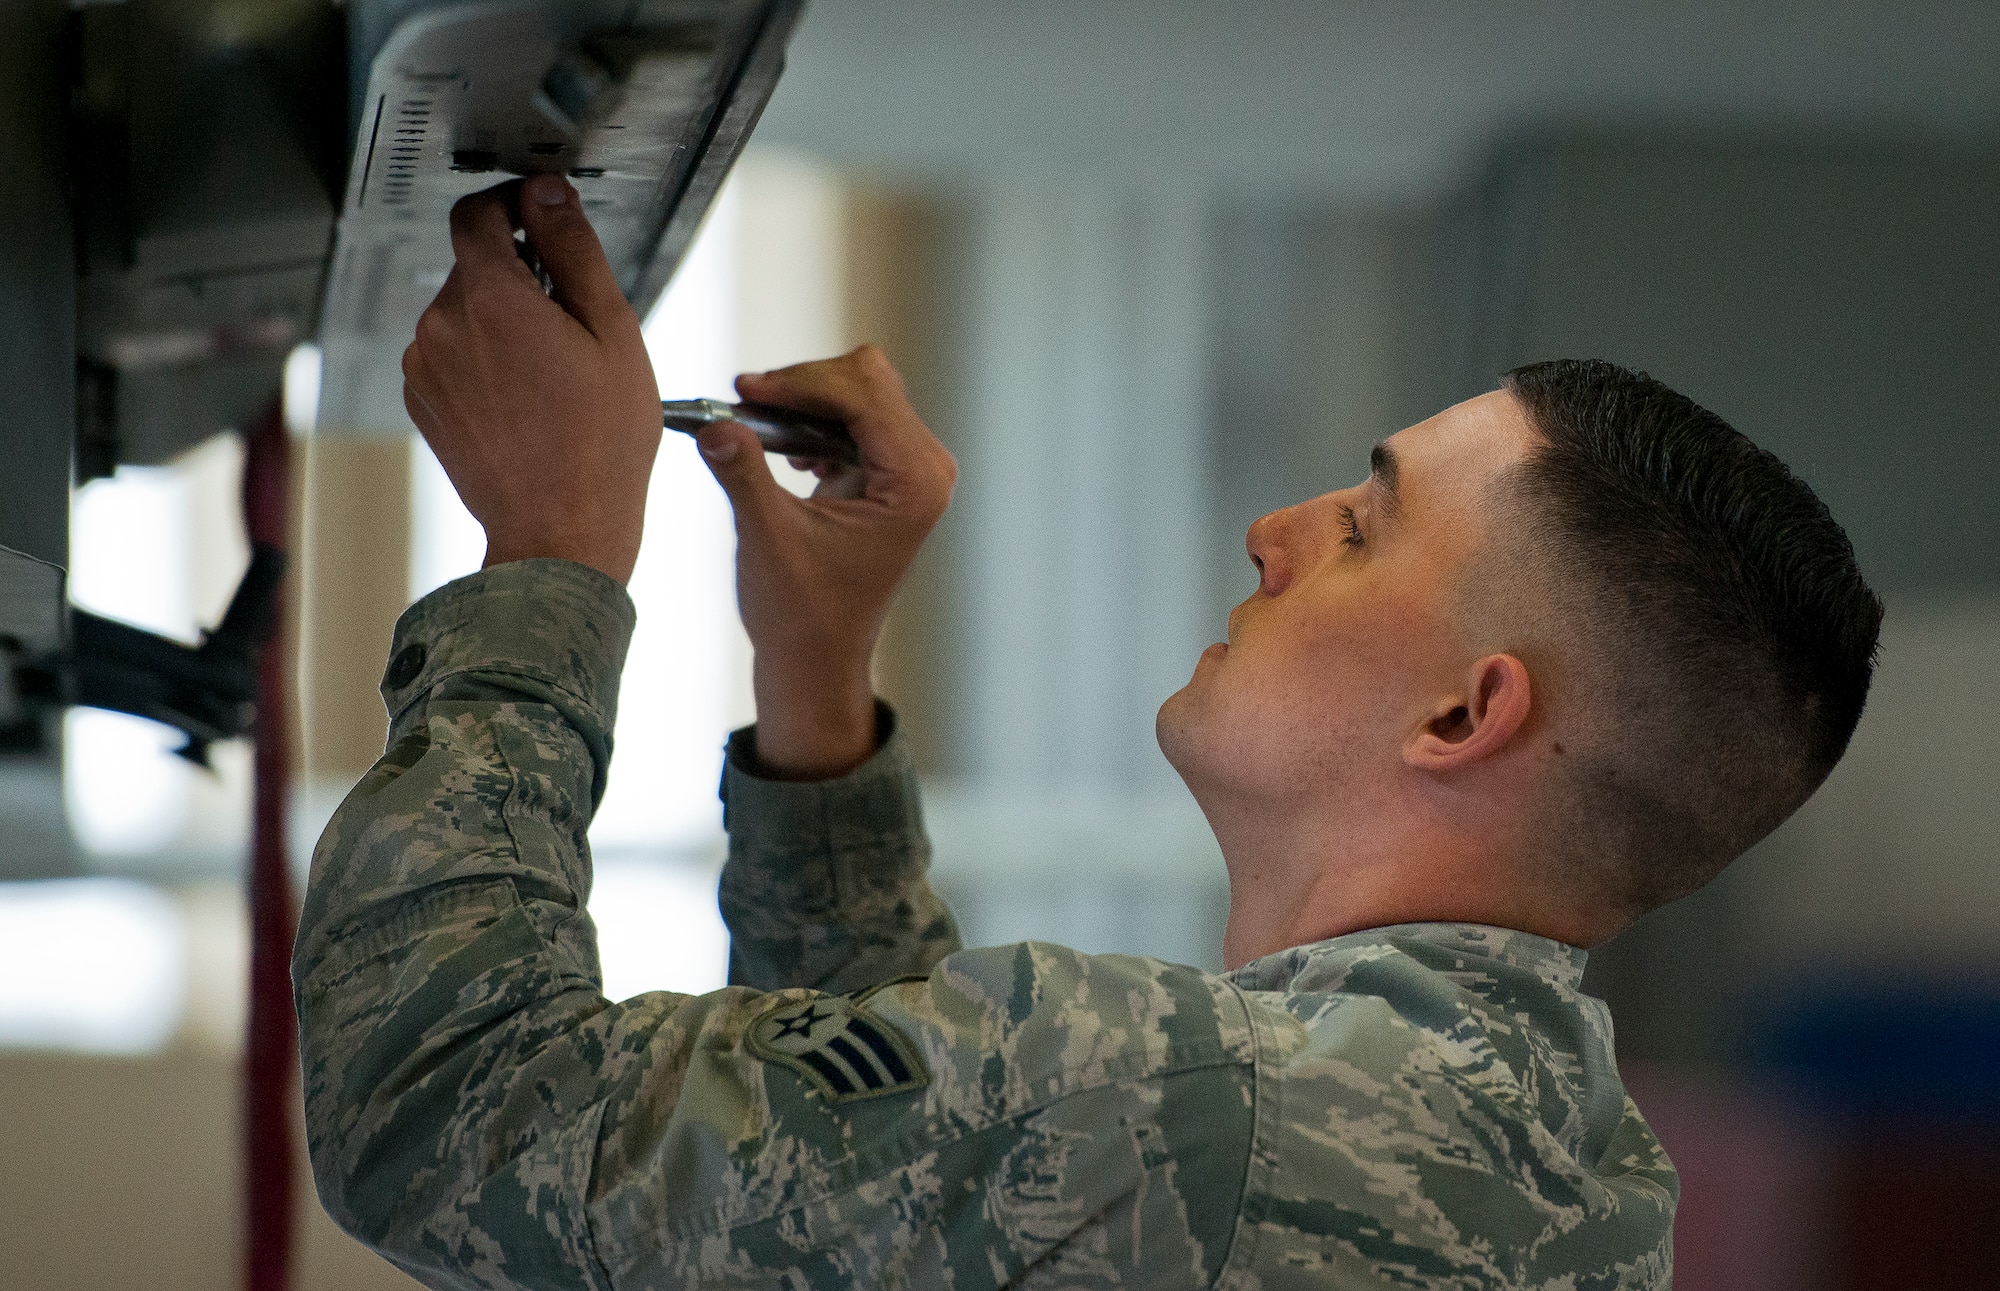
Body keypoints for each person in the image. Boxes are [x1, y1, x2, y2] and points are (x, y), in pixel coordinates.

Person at [295, 173, 1882, 1289]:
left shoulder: (1197, 1101)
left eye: (1363, 528)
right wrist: (820, 677)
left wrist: (551, 562)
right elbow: (896, 1200)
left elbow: (445, 1116)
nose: (1272, 529)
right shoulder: (1579, 1187)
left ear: (1468, 713)